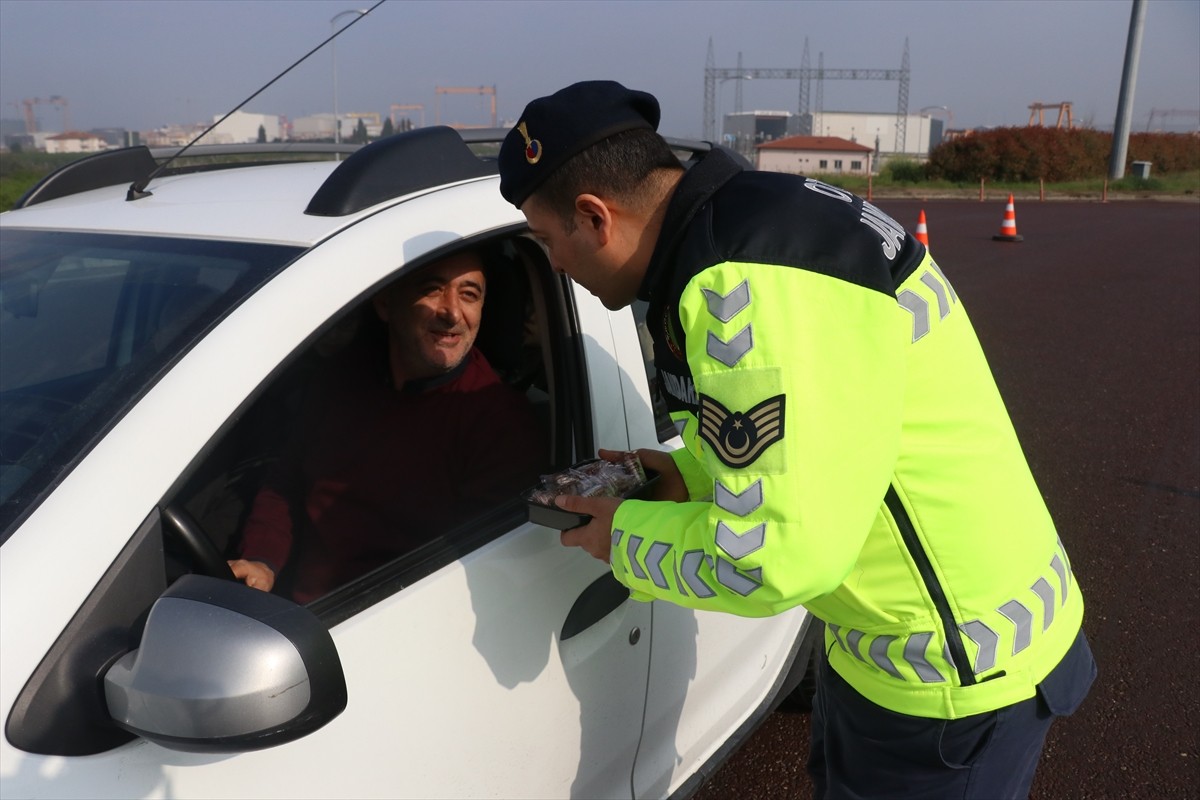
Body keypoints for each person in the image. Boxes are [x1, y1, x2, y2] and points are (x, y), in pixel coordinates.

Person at [497, 81, 1095, 799]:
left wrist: (620, 537)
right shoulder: (769, 221)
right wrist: (689, 470)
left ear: (595, 217)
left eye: (547, 240)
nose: (554, 266)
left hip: (947, 681)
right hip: (906, 640)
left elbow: (771, 564)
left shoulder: (737, 286)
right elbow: (831, 426)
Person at [229, 248, 546, 603]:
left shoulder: (498, 422)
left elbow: (476, 571)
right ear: (385, 305)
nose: (452, 312)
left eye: (469, 294)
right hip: (297, 613)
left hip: (386, 623)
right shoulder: (342, 378)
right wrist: (262, 559)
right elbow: (287, 480)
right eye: (432, 289)